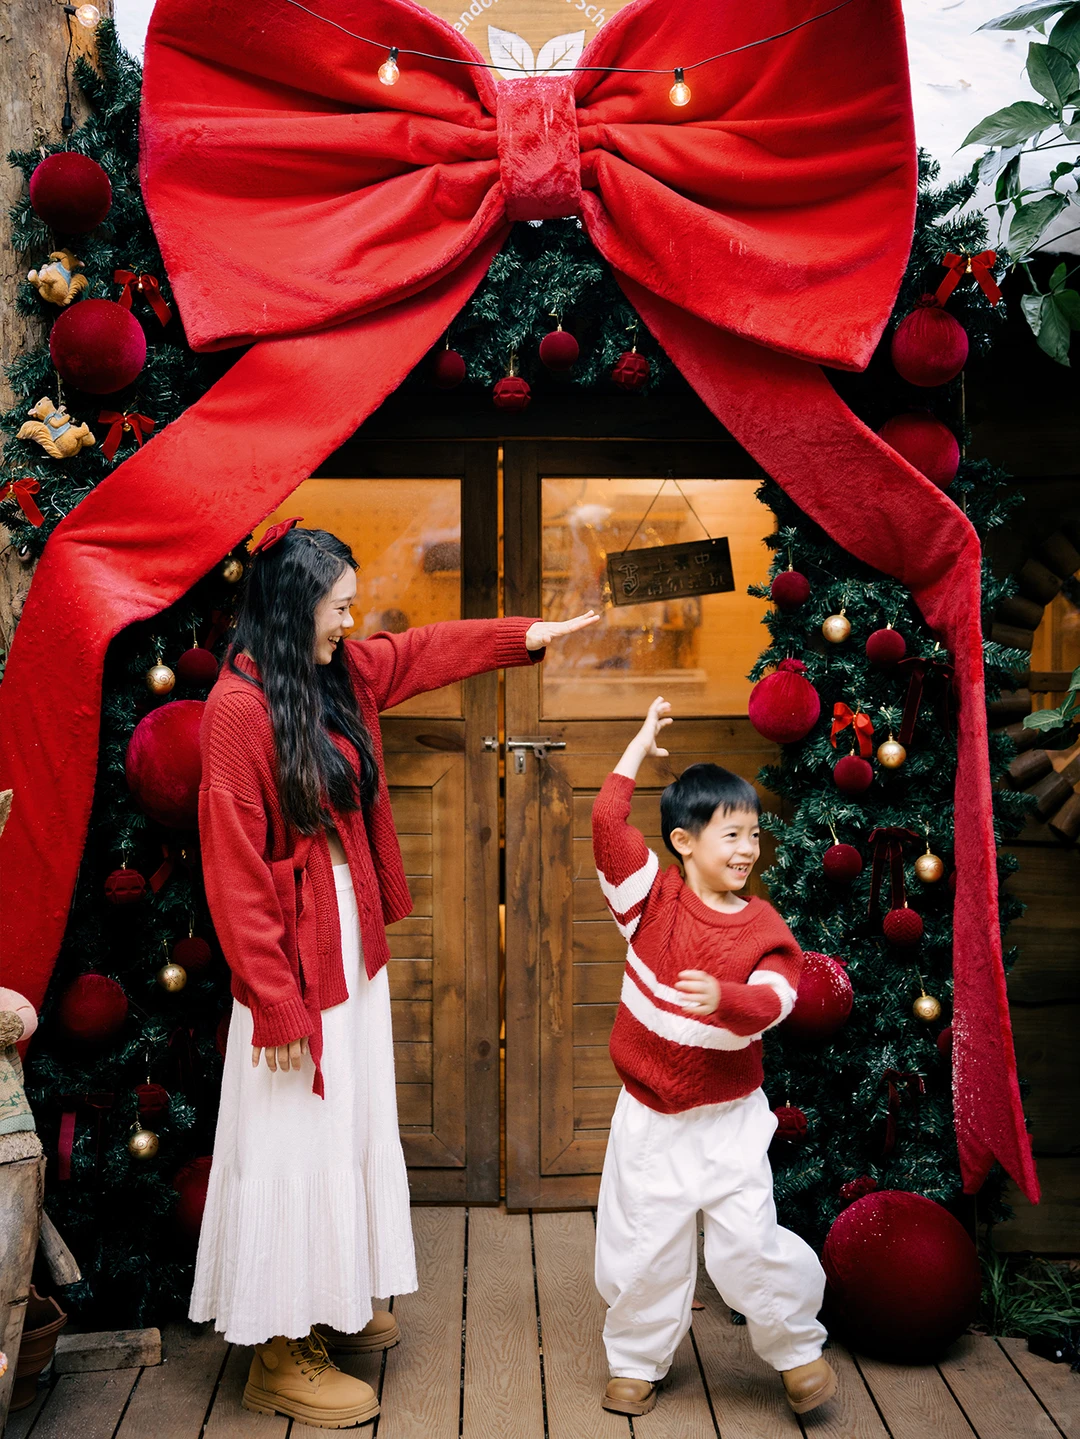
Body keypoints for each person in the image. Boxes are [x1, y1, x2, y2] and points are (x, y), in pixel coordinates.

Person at [191, 518, 597, 1428]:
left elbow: (420, 651)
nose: (351, 621)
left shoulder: (336, 676)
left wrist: (524, 636)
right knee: (296, 1140)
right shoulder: (235, 713)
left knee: (345, 1127)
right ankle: (277, 1353)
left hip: (350, 945)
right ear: (296, 608)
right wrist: (277, 1002)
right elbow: (236, 874)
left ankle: (329, 1299)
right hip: (292, 969)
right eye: (338, 607)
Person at [590, 696, 835, 1418]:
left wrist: (726, 999)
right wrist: (636, 745)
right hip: (650, 1117)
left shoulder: (762, 924)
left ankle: (796, 1351)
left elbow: (779, 994)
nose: (747, 849)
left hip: (728, 1118)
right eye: (731, 834)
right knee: (644, 1244)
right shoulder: (648, 902)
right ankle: (636, 1358)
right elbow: (607, 825)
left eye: (754, 834)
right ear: (683, 841)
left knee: (749, 1241)